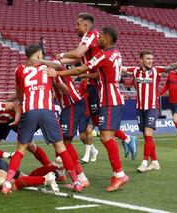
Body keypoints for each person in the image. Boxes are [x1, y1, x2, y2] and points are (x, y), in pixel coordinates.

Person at [48, 27, 129, 192]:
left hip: (109, 100)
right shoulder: (116, 54)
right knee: (106, 137)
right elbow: (94, 72)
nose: (97, 41)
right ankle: (118, 173)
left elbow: (79, 68)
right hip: (112, 98)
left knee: (106, 138)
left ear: (106, 39)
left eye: (100, 38)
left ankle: (119, 174)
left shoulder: (103, 55)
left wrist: (57, 73)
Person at [1, 44, 83, 194]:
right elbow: (65, 90)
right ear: (38, 56)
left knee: (20, 149)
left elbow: (19, 95)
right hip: (47, 111)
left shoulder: (19, 70)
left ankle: (6, 184)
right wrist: (55, 80)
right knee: (60, 147)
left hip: (29, 110)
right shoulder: (49, 69)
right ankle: (76, 182)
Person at [56, 12, 138, 160]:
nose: (76, 28)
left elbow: (80, 55)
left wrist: (61, 57)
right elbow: (80, 61)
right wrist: (66, 65)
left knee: (102, 128)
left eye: (78, 24)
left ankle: (123, 151)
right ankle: (125, 140)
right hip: (93, 86)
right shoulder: (96, 43)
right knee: (98, 122)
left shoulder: (90, 36)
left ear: (85, 25)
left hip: (98, 87)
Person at [121, 51, 177, 172]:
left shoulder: (157, 70)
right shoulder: (135, 71)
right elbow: (122, 68)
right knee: (146, 137)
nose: (151, 60)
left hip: (152, 107)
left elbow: (171, 66)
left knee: (148, 134)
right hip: (140, 108)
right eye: (148, 58)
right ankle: (155, 162)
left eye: (152, 58)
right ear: (141, 60)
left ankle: (144, 162)